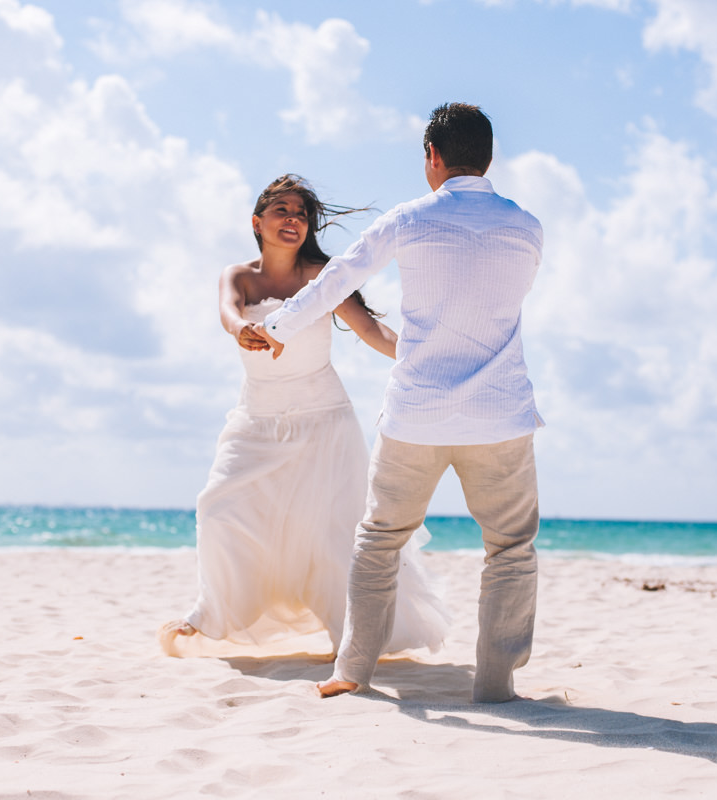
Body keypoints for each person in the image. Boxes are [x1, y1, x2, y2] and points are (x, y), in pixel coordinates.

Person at [255, 103, 543, 703]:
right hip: (499, 414)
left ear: (433, 157)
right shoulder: (526, 227)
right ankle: (495, 685)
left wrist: (278, 327)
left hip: (418, 413)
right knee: (510, 550)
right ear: (488, 158)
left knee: (380, 540)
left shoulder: (410, 220)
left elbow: (335, 281)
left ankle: (352, 671)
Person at [158, 174, 449, 658]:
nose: (293, 220)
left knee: (332, 534)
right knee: (218, 508)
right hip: (256, 421)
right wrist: (241, 329)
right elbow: (229, 312)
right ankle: (212, 613)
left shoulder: (323, 274)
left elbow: (371, 330)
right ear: (258, 222)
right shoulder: (240, 276)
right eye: (282, 211)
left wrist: (423, 357)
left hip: (324, 423)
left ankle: (355, 636)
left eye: (301, 214)